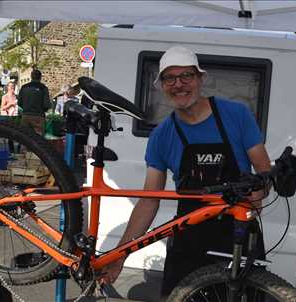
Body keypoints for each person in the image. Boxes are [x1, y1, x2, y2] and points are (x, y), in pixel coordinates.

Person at [100, 45, 272, 298]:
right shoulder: (162, 136)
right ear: (162, 86)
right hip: (189, 238)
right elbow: (149, 201)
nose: (178, 84)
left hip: (236, 235)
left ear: (200, 79)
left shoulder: (236, 115)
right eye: (170, 78)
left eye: (186, 76)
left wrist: (259, 191)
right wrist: (120, 254)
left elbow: (264, 171)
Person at [18, 69, 51, 135]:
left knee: (25, 137)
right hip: (38, 116)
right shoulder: (43, 88)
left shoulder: (24, 87)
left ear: (31, 76)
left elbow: (19, 102)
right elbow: (46, 105)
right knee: (38, 138)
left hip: (26, 115)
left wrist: (26, 107)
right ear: (40, 77)